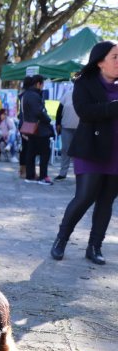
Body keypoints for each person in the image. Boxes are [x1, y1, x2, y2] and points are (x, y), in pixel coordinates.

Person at [49, 41, 118, 265]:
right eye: (115, 57)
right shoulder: (84, 83)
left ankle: (94, 247)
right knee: (84, 197)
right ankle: (61, 240)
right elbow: (85, 112)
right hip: (91, 149)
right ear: (100, 62)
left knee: (106, 202)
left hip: (115, 152)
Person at [21, 75, 54, 185]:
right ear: (38, 84)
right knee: (45, 153)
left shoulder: (26, 95)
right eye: (42, 84)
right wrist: (48, 119)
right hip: (40, 129)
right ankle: (43, 176)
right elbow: (39, 112)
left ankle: (30, 175)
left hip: (31, 128)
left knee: (31, 152)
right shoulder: (34, 96)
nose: (43, 86)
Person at [54, 88, 79, 181]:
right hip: (66, 127)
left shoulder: (87, 94)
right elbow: (59, 110)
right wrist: (57, 123)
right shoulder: (67, 94)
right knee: (65, 150)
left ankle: (79, 173)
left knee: (79, 152)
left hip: (81, 129)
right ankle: (62, 173)